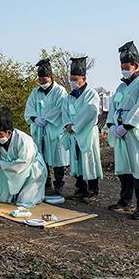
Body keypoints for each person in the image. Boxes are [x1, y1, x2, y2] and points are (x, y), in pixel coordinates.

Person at [106, 41, 139, 220]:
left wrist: (126, 126)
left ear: (137, 66)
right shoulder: (121, 86)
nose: (124, 70)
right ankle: (125, 200)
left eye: (126, 67)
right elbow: (113, 106)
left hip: (136, 134)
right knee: (124, 168)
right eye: (122, 67)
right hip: (121, 133)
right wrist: (112, 125)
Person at [0, 108, 47, 208]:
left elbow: (24, 162)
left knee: (24, 202)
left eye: (0, 134)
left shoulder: (24, 140)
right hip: (12, 168)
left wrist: (2, 165)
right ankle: (9, 194)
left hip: (32, 169)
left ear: (9, 133)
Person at [24, 59, 69, 199]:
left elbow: (60, 108)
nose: (43, 83)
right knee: (41, 158)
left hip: (54, 130)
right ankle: (46, 183)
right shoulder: (35, 92)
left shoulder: (59, 91)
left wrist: (46, 118)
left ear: (51, 77)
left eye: (45, 80)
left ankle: (59, 185)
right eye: (41, 81)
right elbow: (29, 108)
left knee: (57, 158)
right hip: (39, 130)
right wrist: (35, 118)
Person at [61, 56, 103, 202]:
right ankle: (80, 189)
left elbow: (90, 113)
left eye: (75, 79)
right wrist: (67, 125)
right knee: (76, 161)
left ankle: (93, 191)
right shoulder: (69, 97)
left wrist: (75, 126)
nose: (72, 82)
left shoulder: (91, 94)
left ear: (83, 78)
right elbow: (64, 112)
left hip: (87, 133)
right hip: (73, 134)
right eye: (71, 78)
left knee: (89, 161)